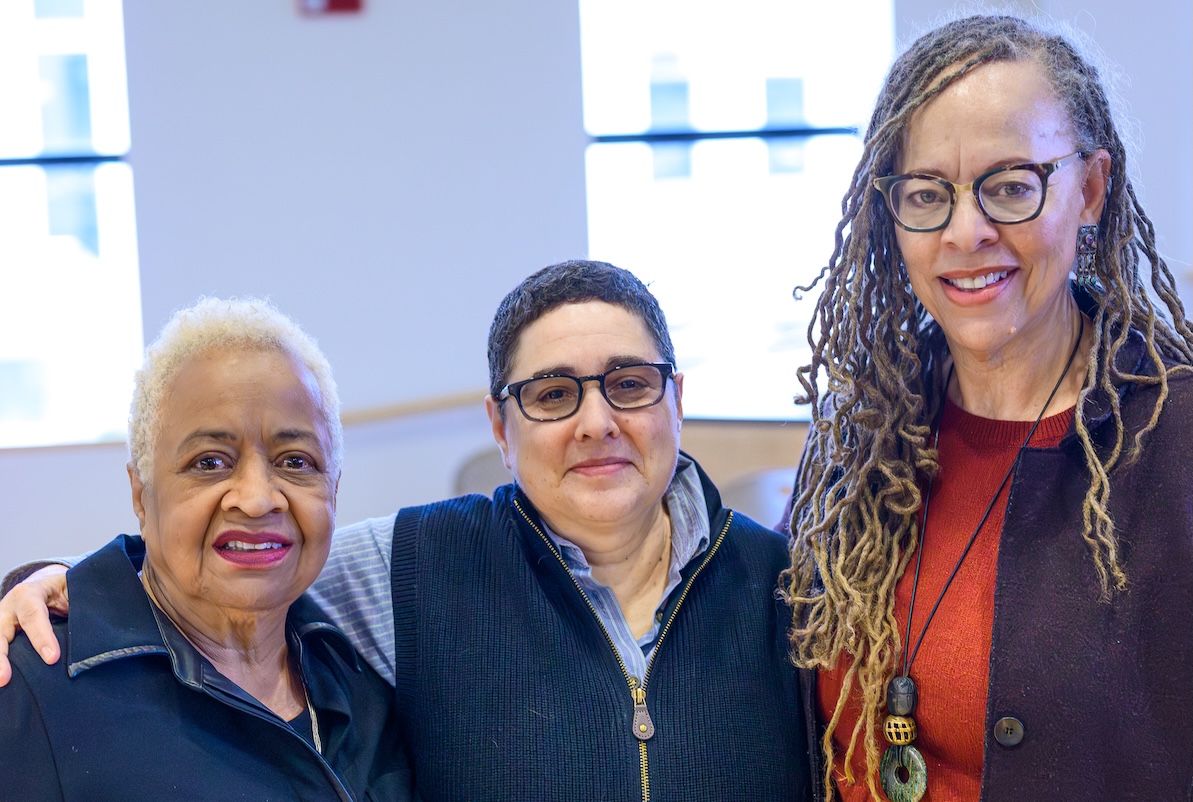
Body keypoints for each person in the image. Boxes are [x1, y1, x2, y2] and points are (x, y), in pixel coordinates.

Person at [0, 261, 811, 801]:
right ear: (500, 424)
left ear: (675, 399)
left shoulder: (787, 586)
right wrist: (56, 586)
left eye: (629, 385)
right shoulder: (409, 568)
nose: (596, 422)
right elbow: (229, 570)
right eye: (553, 394)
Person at [778, 13, 1193, 802]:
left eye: (1009, 186)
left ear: (1090, 190)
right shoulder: (856, 439)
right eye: (927, 194)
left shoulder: (1177, 441)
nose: (965, 232)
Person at [0, 297, 407, 800]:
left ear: (334, 489)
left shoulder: (363, 683)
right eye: (210, 462)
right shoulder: (30, 688)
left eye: (296, 461)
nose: (258, 499)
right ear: (140, 495)